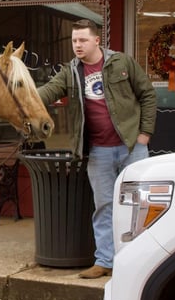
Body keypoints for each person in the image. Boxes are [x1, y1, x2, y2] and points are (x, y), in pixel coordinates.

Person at [38, 19, 156, 279]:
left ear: (96, 40)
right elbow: (48, 92)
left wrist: (144, 134)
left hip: (131, 147)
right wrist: (22, 96)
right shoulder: (71, 71)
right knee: (104, 206)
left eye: (82, 40)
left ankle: (144, 261)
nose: (77, 45)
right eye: (74, 41)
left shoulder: (121, 62)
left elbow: (147, 94)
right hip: (99, 150)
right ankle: (105, 261)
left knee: (140, 206)